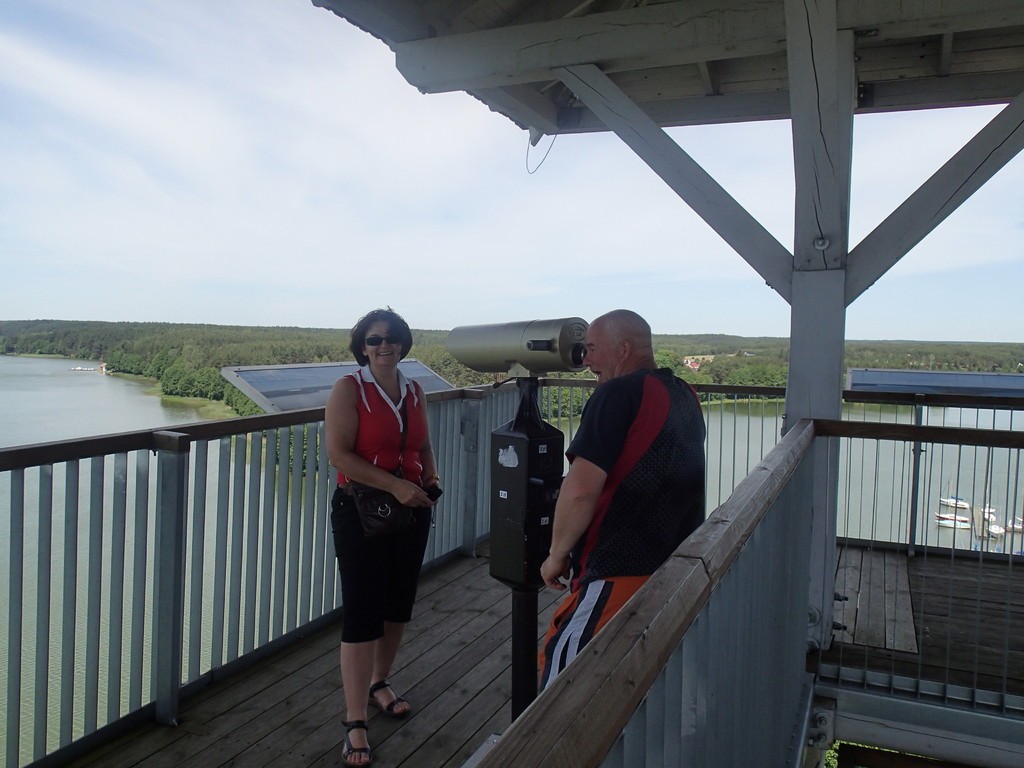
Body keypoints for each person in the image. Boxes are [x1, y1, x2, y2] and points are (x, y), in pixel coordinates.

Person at [538, 309, 706, 689]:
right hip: (671, 567)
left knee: (563, 684)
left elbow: (580, 490)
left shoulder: (617, 393)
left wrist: (556, 555)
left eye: (592, 349)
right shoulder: (685, 393)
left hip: (618, 570)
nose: (585, 360)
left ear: (624, 349)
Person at [325, 308, 441, 767]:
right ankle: (354, 720)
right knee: (362, 611)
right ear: (362, 347)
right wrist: (395, 485)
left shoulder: (414, 390)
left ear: (403, 343)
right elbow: (339, 454)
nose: (384, 346)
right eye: (374, 340)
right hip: (361, 511)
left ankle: (379, 682)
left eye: (391, 338)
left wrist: (430, 476)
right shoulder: (349, 389)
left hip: (410, 509)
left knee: (397, 603)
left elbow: (422, 444)